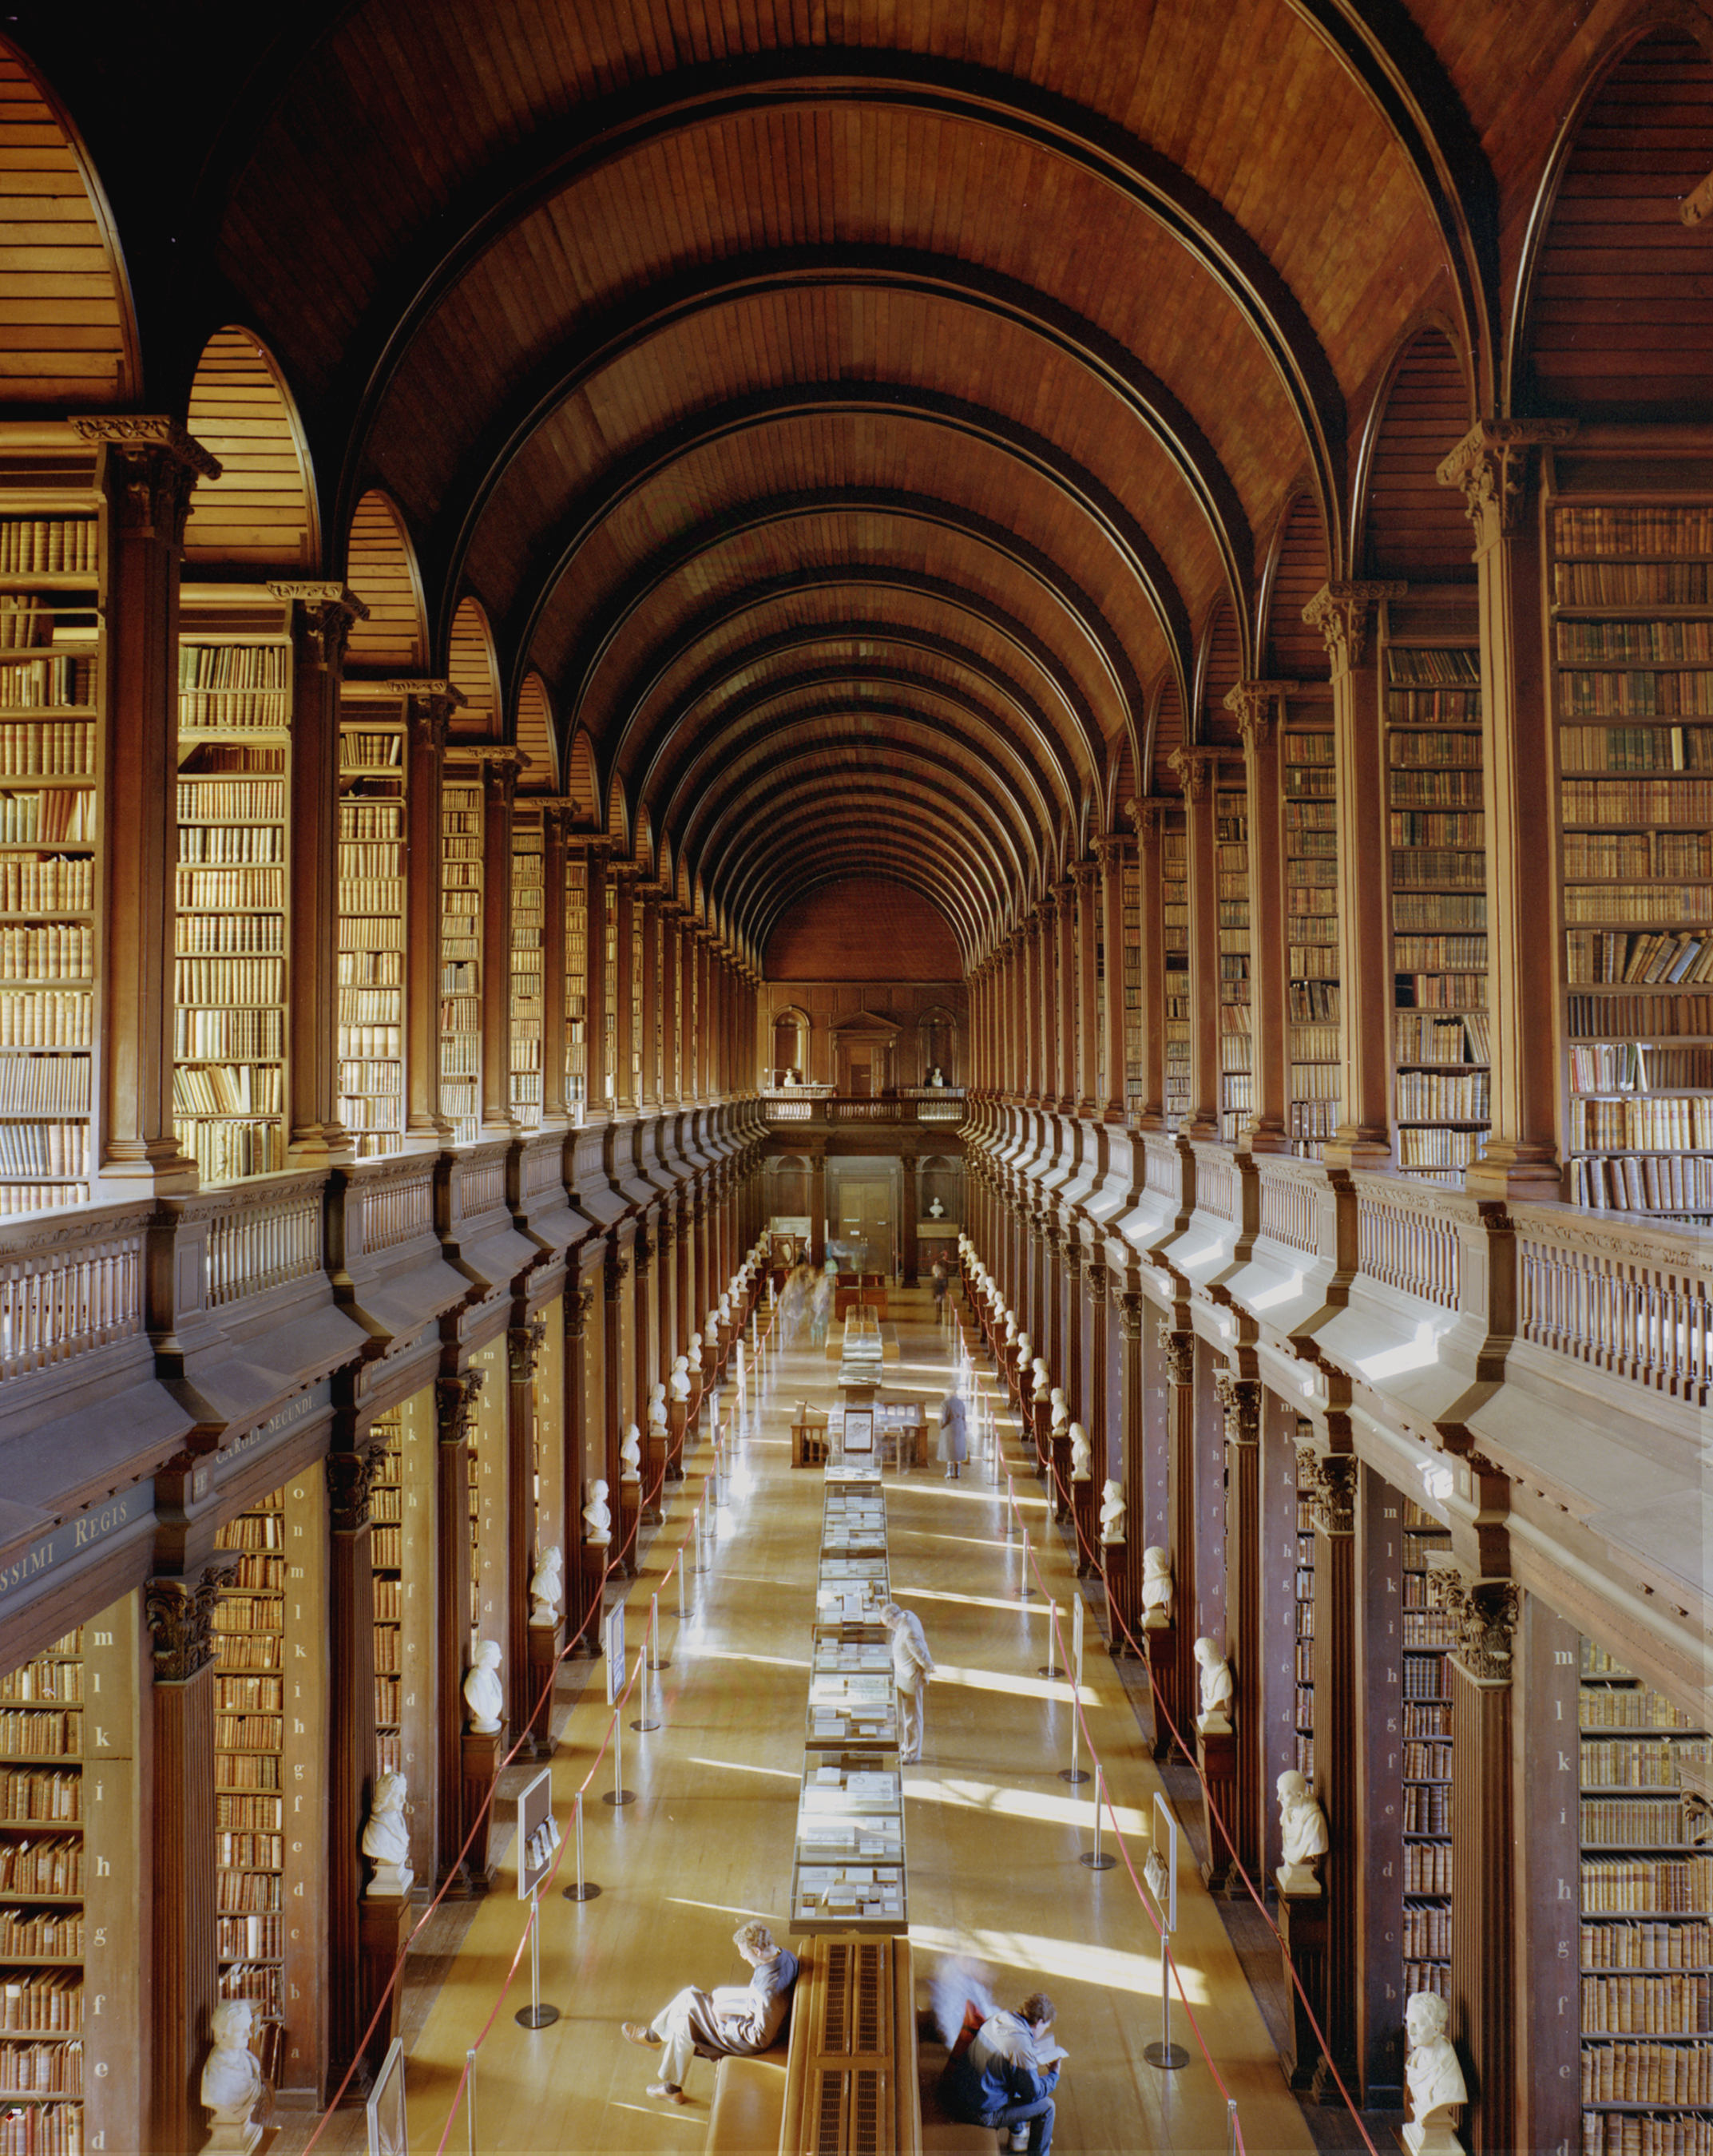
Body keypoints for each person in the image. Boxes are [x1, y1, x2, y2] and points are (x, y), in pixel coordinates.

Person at [621, 1919, 799, 2103]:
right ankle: (670, 2085)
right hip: (756, 2011)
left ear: (756, 1951)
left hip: (749, 2038)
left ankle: (653, 2039)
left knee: (688, 2002)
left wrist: (729, 2019)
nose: (743, 1958)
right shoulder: (784, 1955)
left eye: (744, 1954)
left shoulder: (768, 1991)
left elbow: (759, 2037)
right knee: (686, 2019)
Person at [940, 1989, 1063, 2154]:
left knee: (1017, 2077)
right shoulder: (1021, 2047)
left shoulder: (1000, 2018)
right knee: (1047, 2107)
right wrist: (1054, 2074)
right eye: (1045, 2028)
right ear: (1040, 2021)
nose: (1043, 2033)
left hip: (959, 2094)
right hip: (978, 2113)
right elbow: (1033, 2093)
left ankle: (1018, 2137)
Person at [882, 1599, 936, 1762]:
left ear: (893, 1619)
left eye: (888, 1625)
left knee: (912, 1717)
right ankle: (907, 1746)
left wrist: (929, 1669)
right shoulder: (908, 1615)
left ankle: (912, 1754)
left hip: (910, 1677)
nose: (890, 1628)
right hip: (903, 1673)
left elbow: (920, 1653)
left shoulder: (908, 1631)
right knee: (908, 1715)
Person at [937, 1388, 969, 1480]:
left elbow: (943, 1419)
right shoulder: (961, 1403)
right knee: (958, 1451)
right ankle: (957, 1472)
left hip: (949, 1429)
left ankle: (949, 1473)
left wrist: (941, 1426)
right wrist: (964, 1428)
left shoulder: (945, 1403)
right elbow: (964, 1417)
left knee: (949, 1451)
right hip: (959, 1428)